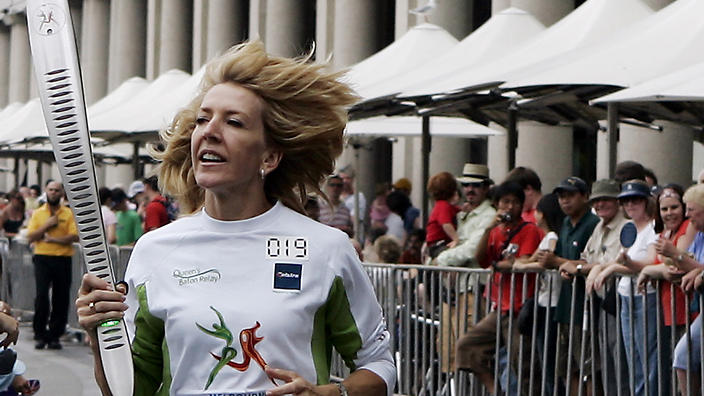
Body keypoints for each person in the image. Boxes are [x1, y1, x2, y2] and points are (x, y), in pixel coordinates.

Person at [76, 41, 394, 396]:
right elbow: (131, 391)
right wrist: (98, 340)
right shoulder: (154, 250)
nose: (209, 131)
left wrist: (327, 394)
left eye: (234, 122)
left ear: (269, 157)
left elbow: (378, 364)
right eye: (202, 119)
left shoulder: (326, 250)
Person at [455, 181, 542, 395]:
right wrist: (488, 228)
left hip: (520, 307)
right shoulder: (495, 232)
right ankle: (495, 390)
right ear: (497, 205)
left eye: (514, 202)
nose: (509, 207)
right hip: (499, 307)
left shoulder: (529, 230)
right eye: (505, 202)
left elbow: (520, 262)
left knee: (522, 363)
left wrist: (502, 265)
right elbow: (480, 259)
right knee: (467, 346)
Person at [534, 177, 599, 395]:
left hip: (585, 306)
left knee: (587, 368)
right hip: (565, 306)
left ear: (584, 196)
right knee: (567, 367)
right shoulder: (564, 224)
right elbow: (561, 257)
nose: (565, 201)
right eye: (561, 196)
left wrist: (556, 262)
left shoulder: (592, 224)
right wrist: (554, 261)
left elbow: (588, 262)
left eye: (570, 195)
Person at [593, 179, 659, 396]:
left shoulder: (652, 229)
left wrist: (614, 269)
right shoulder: (630, 228)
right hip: (625, 296)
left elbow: (650, 261)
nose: (630, 205)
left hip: (644, 297)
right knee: (632, 357)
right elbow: (620, 261)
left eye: (636, 200)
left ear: (646, 201)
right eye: (626, 201)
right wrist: (602, 268)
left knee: (646, 356)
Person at [582, 179, 632, 396]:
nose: (600, 204)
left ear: (617, 201)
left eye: (605, 199)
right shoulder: (598, 227)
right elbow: (585, 257)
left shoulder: (627, 226)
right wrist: (578, 268)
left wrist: (591, 269)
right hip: (602, 301)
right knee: (606, 358)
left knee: (619, 357)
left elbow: (621, 262)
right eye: (596, 200)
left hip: (621, 300)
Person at [26, 181, 78, 350]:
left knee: (61, 297)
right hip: (42, 257)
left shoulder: (68, 214)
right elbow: (31, 236)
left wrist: (53, 239)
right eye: (51, 190)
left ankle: (55, 335)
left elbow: (74, 236)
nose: (54, 193)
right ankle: (40, 333)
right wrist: (46, 226)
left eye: (57, 190)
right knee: (41, 296)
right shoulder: (38, 214)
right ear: (46, 192)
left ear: (62, 193)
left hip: (62, 258)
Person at [671, 183, 704, 395]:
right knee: (682, 356)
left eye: (692, 209)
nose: (687, 214)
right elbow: (686, 262)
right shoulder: (700, 235)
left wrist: (700, 272)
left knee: (684, 353)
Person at [425, 172, 460, 260]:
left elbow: (457, 210)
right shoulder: (443, 206)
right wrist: (455, 239)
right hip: (438, 244)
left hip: (436, 244)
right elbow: (446, 224)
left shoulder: (442, 206)